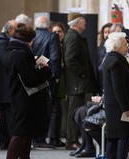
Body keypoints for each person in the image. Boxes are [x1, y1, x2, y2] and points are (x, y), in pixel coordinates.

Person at [3, 23, 52, 159]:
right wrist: (45, 69)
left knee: (26, 134)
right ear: (28, 39)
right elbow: (31, 79)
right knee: (19, 135)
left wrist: (34, 63)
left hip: (22, 98)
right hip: (24, 100)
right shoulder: (21, 54)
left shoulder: (15, 51)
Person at [102, 32, 129, 159]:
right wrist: (126, 107)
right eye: (124, 44)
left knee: (113, 137)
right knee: (124, 137)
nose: (127, 46)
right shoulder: (117, 62)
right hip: (120, 106)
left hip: (112, 106)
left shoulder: (109, 59)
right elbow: (119, 88)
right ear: (117, 47)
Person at [63, 13, 98, 150]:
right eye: (83, 21)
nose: (85, 23)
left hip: (78, 82)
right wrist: (83, 73)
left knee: (76, 110)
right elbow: (70, 59)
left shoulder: (74, 36)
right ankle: (71, 140)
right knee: (75, 111)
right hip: (77, 82)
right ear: (77, 23)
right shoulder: (72, 36)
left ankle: (73, 139)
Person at [31, 15, 61, 149]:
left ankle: (34, 137)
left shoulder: (31, 35)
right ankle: (41, 138)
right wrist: (56, 75)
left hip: (32, 76)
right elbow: (55, 58)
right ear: (48, 25)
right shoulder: (52, 36)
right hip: (47, 77)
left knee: (35, 108)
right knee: (46, 108)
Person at [0, 20, 17, 150]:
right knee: (7, 114)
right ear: (10, 31)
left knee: (4, 114)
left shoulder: (4, 41)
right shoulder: (2, 42)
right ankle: (5, 141)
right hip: (4, 84)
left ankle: (3, 140)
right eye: (16, 30)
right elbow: (6, 60)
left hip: (5, 85)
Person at [48, 22, 67, 147]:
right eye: (54, 32)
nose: (57, 34)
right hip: (54, 82)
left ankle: (56, 136)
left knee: (58, 111)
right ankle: (53, 137)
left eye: (59, 31)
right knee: (55, 111)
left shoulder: (65, 46)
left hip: (63, 83)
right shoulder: (52, 45)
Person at [97, 23, 112, 93]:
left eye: (109, 32)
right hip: (102, 78)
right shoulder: (101, 47)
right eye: (105, 32)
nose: (107, 34)